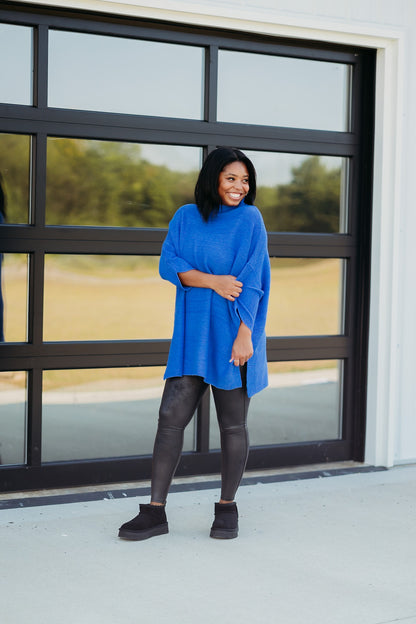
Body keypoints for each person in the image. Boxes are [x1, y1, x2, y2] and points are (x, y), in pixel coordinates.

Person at [118, 147, 270, 541]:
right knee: (169, 420)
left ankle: (227, 509)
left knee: (233, 425)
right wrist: (213, 280)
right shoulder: (186, 217)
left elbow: (253, 280)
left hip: (233, 334)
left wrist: (245, 334)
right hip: (192, 335)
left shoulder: (250, 220)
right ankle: (155, 512)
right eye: (231, 178)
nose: (239, 187)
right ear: (213, 179)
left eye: (244, 180)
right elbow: (169, 264)